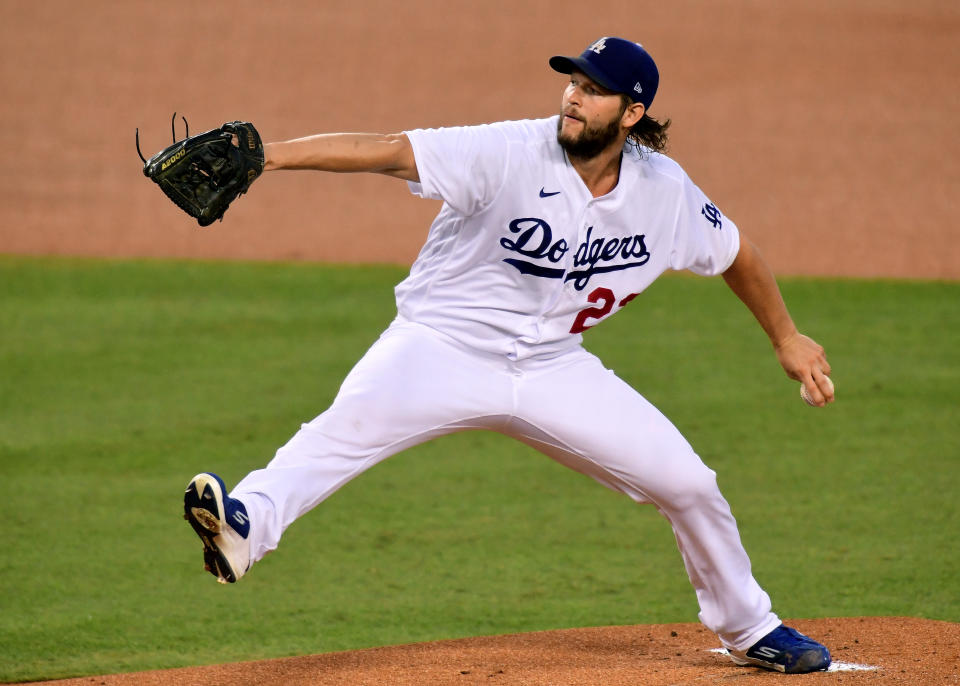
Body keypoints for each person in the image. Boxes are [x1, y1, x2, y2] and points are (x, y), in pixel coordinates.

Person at [183, 37, 835, 674]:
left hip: (554, 367)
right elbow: (388, 151)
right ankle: (243, 528)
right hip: (441, 346)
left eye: (593, 89)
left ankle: (751, 628)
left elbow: (736, 254)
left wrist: (786, 336)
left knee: (689, 484)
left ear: (632, 113)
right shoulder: (509, 150)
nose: (573, 98)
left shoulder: (664, 192)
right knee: (342, 429)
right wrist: (269, 156)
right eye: (572, 83)